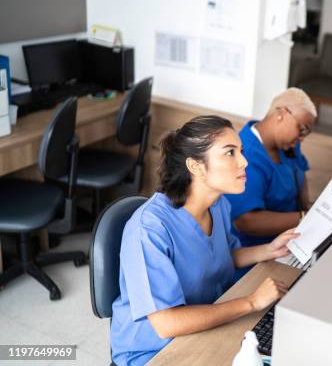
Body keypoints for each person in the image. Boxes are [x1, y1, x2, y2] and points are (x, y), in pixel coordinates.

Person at [110, 116, 298, 366]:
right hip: (153, 352)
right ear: (195, 166)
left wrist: (268, 249)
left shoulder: (218, 204)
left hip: (206, 324)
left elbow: (223, 255)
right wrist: (251, 301)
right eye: (230, 153)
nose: (244, 161)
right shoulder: (148, 228)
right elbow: (167, 323)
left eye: (240, 151)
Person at [226, 88, 317, 249]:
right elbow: (246, 221)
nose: (302, 138)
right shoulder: (245, 154)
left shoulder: (288, 143)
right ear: (282, 113)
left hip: (295, 236)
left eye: (306, 133)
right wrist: (305, 217)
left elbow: (300, 170)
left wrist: (307, 208)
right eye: (301, 129)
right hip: (258, 250)